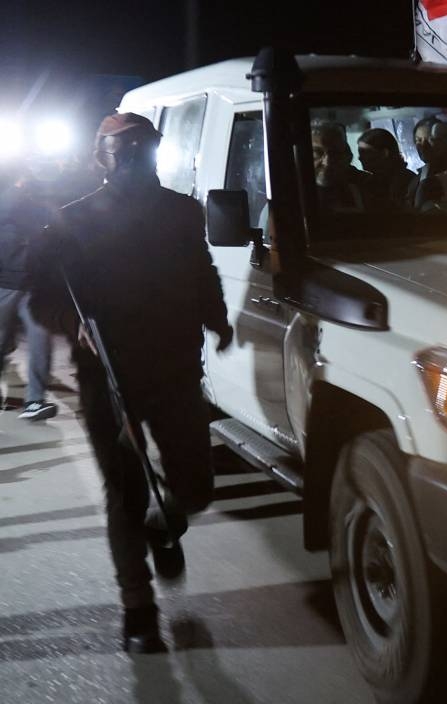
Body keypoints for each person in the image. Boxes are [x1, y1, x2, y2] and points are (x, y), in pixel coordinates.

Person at [29, 113, 233, 654]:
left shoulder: (180, 211)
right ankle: (137, 611)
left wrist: (217, 317)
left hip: (174, 371)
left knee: (196, 488)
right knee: (125, 492)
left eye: (146, 147)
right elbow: (41, 295)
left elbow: (201, 268)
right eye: (126, 147)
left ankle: (163, 524)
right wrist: (74, 326)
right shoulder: (70, 222)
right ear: (104, 155)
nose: (136, 155)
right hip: (108, 377)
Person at [0, 160, 60, 420]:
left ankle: (35, 401)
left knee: (40, 338)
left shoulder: (40, 202)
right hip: (5, 283)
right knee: (2, 342)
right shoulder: (11, 200)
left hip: (33, 284)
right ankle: (33, 399)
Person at [311, 120, 370, 213]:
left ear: (346, 156)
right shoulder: (291, 190)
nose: (327, 162)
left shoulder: (367, 185)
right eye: (316, 153)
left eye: (335, 153)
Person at [356, 128, 416, 211]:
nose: (359, 158)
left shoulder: (408, 181)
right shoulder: (369, 182)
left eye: (364, 152)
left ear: (384, 153)